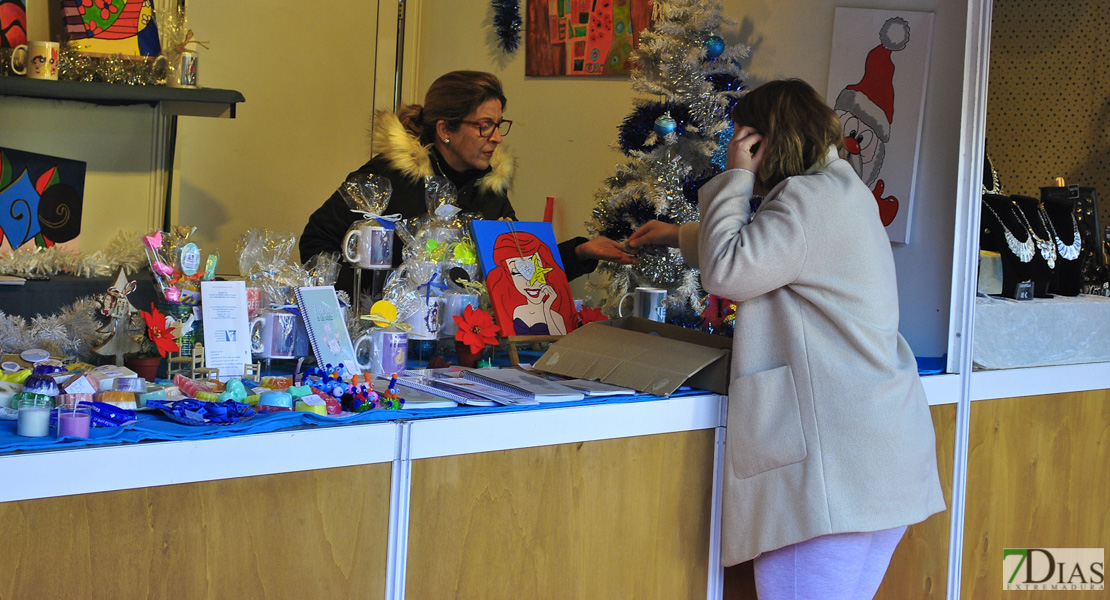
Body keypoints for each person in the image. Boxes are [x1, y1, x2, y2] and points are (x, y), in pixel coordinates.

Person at [627, 79, 945, 599]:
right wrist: (675, 235)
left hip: (833, 471)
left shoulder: (803, 199)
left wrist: (734, 175)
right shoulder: (841, 190)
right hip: (878, 457)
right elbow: (769, 250)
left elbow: (730, 268)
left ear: (760, 139)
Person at [300, 70, 633, 295]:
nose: (496, 139)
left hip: (460, 342)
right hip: (387, 333)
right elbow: (316, 242)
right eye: (484, 125)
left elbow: (513, 263)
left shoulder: (488, 189)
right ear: (445, 130)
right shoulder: (387, 177)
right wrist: (381, 293)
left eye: (499, 125)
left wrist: (579, 251)